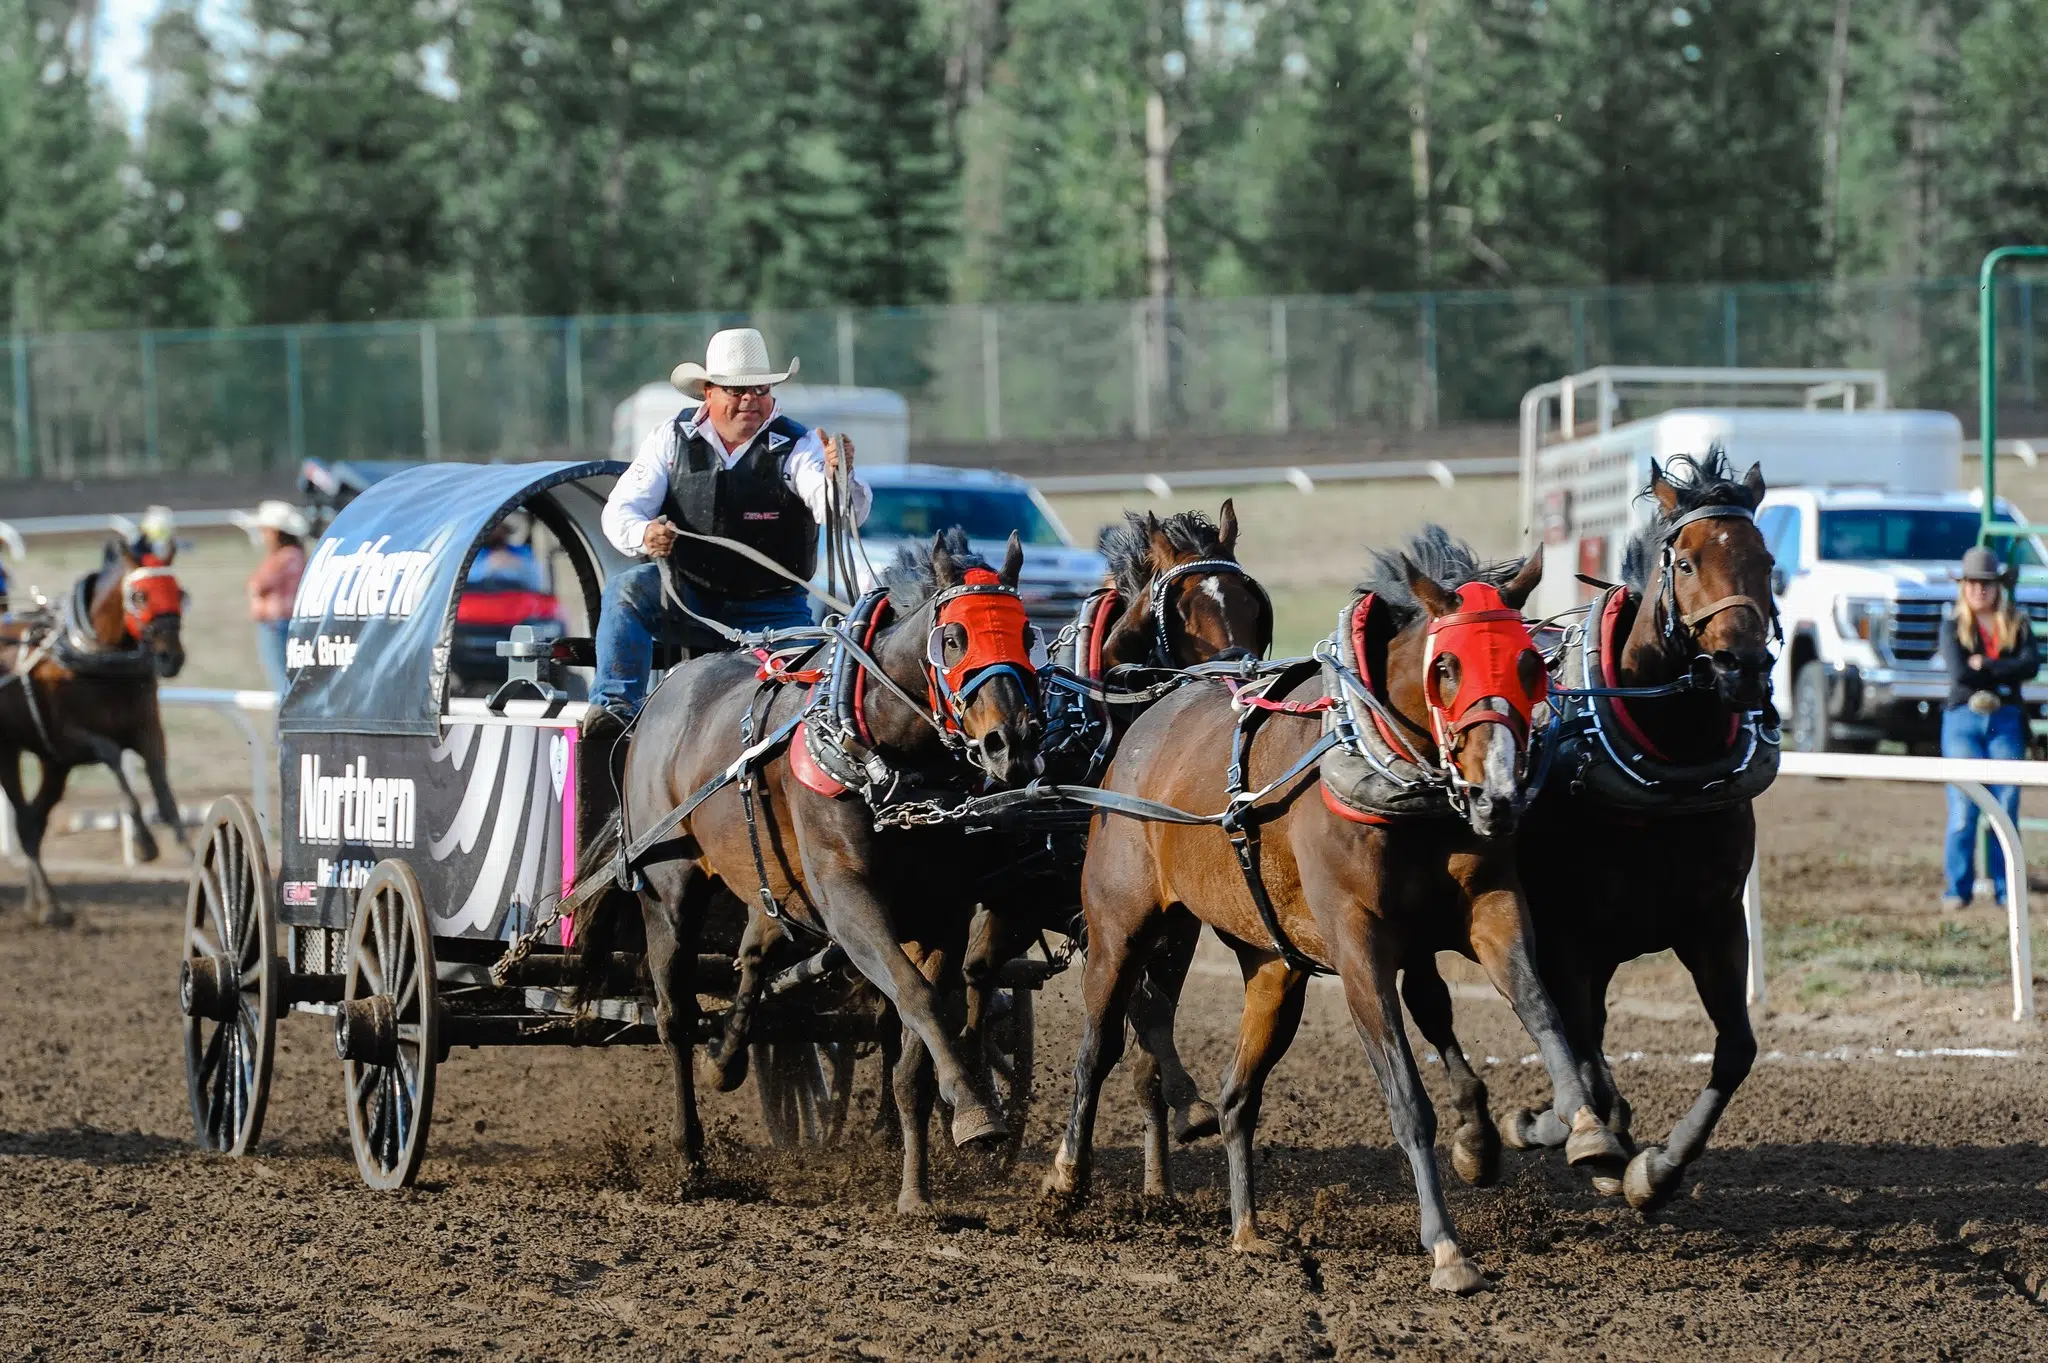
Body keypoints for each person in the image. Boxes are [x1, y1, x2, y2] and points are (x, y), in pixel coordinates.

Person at [587, 328, 870, 738]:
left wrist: (837, 477)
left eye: (759, 388)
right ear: (708, 392)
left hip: (774, 610)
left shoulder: (800, 446)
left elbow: (837, 510)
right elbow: (621, 511)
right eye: (736, 390)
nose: (750, 399)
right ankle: (614, 714)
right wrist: (645, 533)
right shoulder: (670, 438)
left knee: (805, 705)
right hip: (686, 597)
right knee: (627, 591)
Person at [1939, 545, 2041, 911]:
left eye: (1987, 583)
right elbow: (1961, 673)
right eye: (1973, 583)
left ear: (1998, 586)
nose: (1979, 590)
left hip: (2006, 717)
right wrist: (2001, 668)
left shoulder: (2016, 622)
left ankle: (2005, 888)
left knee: (2007, 804)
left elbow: (2030, 665)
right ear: (1963, 587)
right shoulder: (1953, 626)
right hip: (1964, 718)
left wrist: (1987, 665)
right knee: (1963, 807)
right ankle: (1957, 888)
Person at [244, 500, 310, 695]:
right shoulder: (298, 556)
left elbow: (258, 584)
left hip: (276, 625)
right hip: (291, 623)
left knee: (281, 682)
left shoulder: (283, 558)